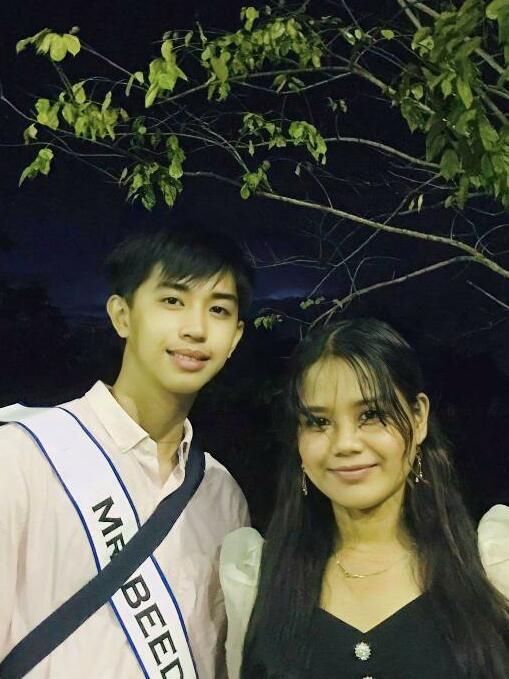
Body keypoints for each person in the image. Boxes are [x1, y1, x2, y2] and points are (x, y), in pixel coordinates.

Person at [0, 226, 254, 679]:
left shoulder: (222, 496)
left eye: (217, 309)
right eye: (172, 300)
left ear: (234, 338)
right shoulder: (23, 455)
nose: (196, 328)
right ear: (122, 316)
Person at [220, 318, 509, 679]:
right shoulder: (255, 580)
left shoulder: (493, 567)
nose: (345, 444)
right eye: (319, 422)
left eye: (371, 415)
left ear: (418, 418)